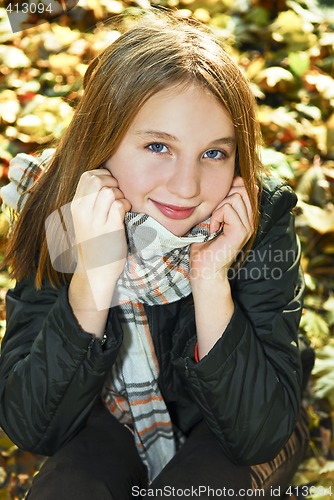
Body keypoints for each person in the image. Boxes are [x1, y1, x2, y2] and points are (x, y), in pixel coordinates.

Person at [0, 11, 311, 499]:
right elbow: (34, 425)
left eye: (213, 153)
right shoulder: (64, 210)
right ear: (101, 141)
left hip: (239, 423)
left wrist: (211, 279)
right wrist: (93, 275)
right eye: (158, 146)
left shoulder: (259, 218)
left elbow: (259, 432)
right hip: (108, 418)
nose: (186, 188)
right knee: (67, 490)